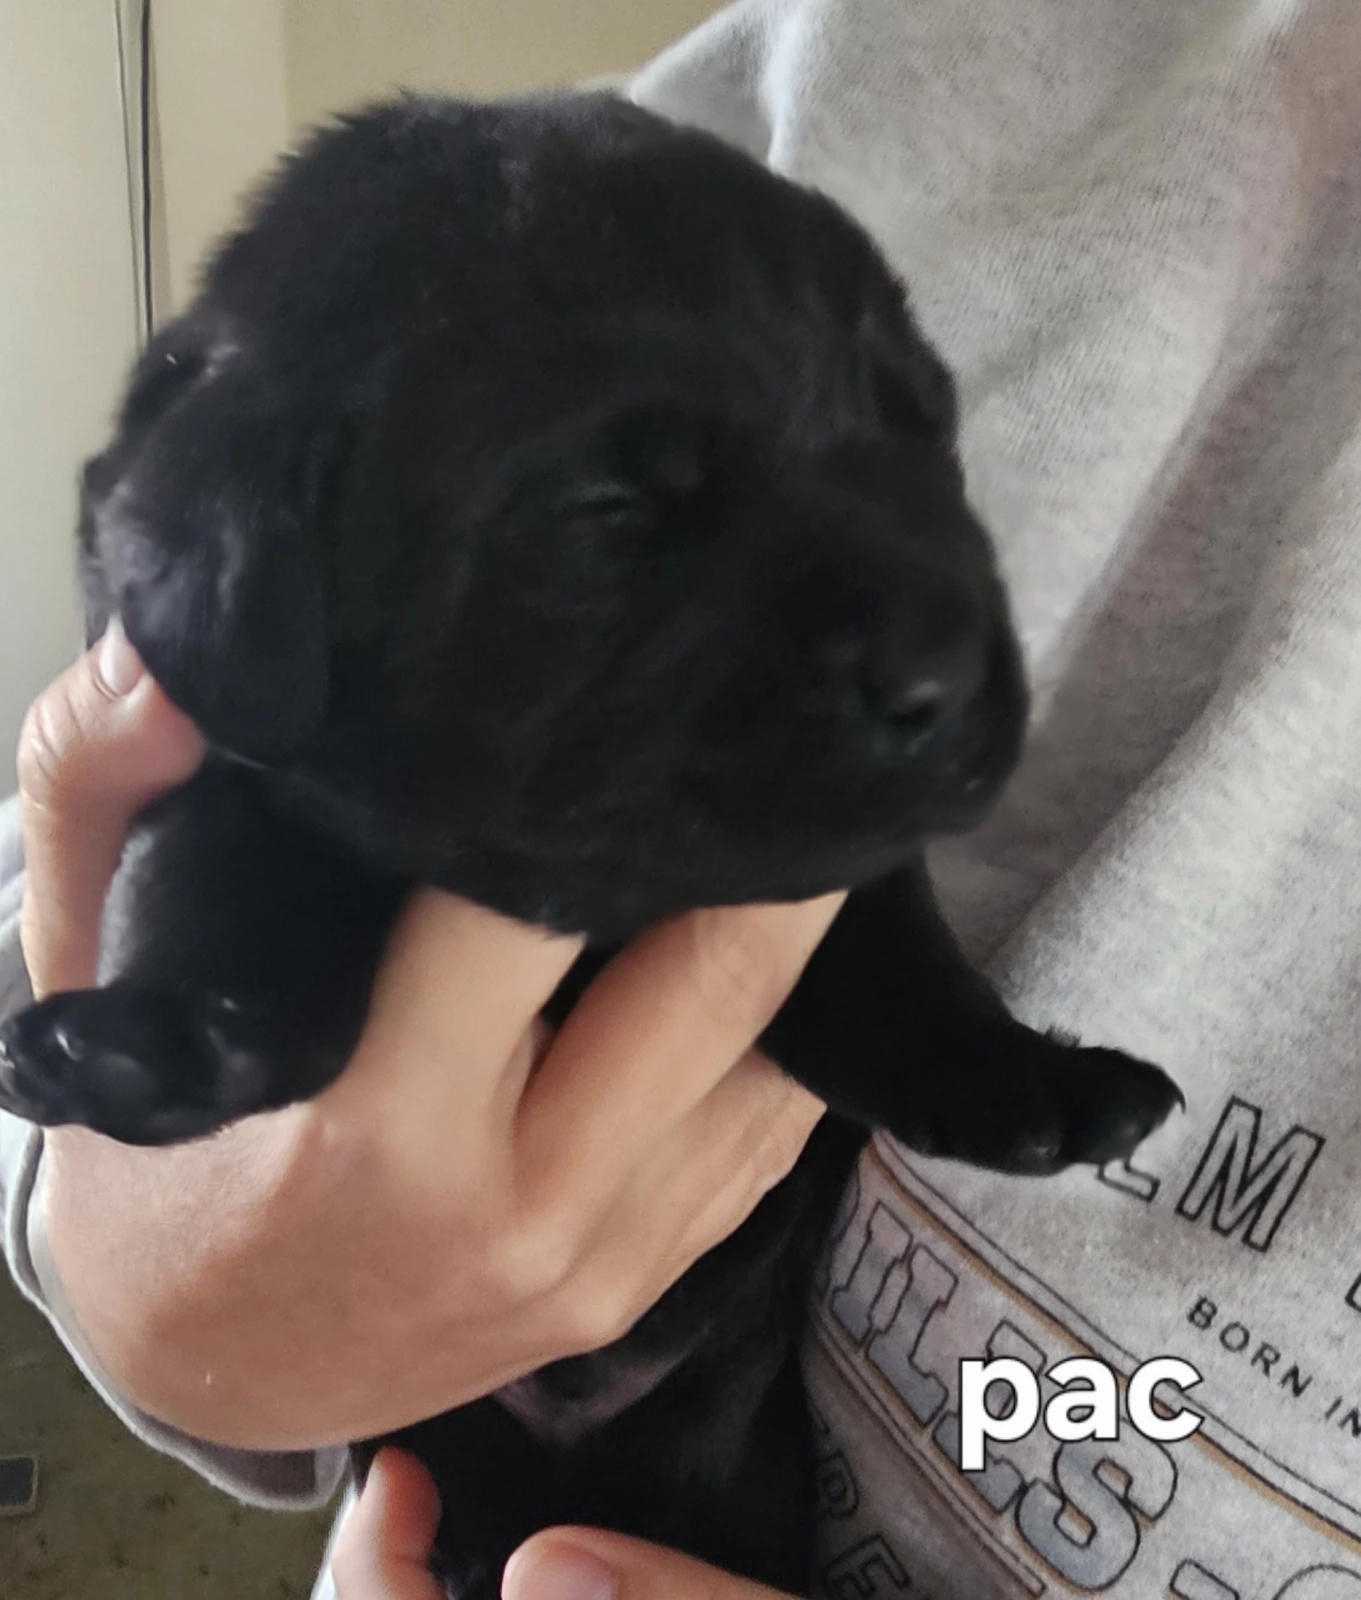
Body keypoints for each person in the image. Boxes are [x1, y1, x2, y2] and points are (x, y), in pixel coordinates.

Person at [5, 0, 1361, 1595]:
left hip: (723, 1436)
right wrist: (125, 1242)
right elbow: (118, 809)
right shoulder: (884, 72)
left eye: (904, 428)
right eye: (618, 516)